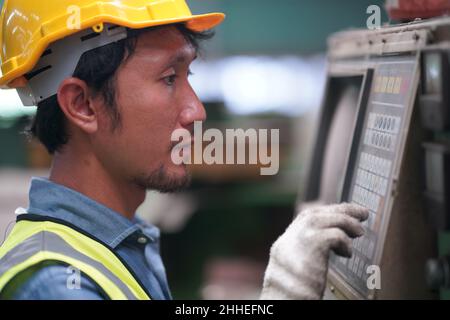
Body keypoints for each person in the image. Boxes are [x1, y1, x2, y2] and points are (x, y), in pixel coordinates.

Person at [0, 0, 368, 300]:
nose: (196, 111)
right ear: (82, 104)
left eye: (187, 76)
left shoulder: (123, 240)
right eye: (169, 78)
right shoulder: (57, 285)